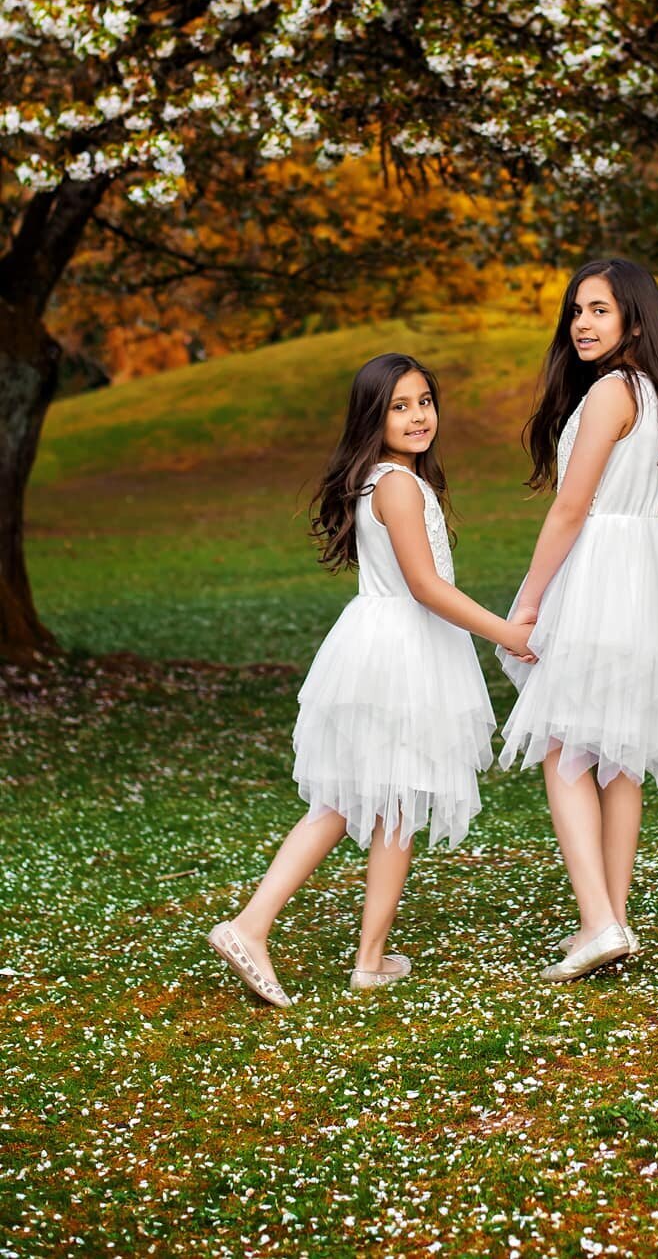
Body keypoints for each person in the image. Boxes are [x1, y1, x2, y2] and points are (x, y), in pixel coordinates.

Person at [209, 352, 533, 1003]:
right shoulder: (397, 485)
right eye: (399, 406)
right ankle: (249, 925)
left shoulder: (384, 479)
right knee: (342, 801)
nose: (418, 417)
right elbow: (425, 586)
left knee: (394, 805)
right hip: (398, 654)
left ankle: (371, 958)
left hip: (390, 645)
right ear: (371, 416)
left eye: (424, 401)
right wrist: (507, 634)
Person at [497, 258, 658, 982]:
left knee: (565, 748)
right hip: (647, 570)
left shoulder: (609, 395)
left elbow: (571, 509)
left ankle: (598, 920)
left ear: (634, 317)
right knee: (618, 754)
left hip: (601, 568)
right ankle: (612, 921)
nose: (583, 324)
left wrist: (531, 597)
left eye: (599, 310)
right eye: (576, 312)